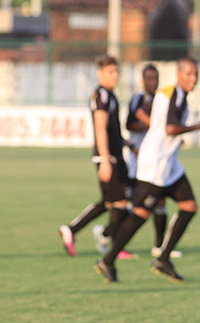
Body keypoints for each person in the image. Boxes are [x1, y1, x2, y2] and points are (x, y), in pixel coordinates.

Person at [95, 57, 200, 283]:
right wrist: (197, 127)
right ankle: (108, 260)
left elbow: (155, 120)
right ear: (178, 74)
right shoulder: (173, 94)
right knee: (139, 215)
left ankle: (163, 258)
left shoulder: (172, 94)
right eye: (188, 74)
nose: (193, 79)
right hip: (155, 166)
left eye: (196, 75)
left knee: (189, 206)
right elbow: (169, 128)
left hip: (170, 165)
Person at [58, 54, 134, 258]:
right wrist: (106, 159)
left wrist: (127, 143)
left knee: (112, 202)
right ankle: (108, 238)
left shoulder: (109, 95)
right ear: (100, 74)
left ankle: (74, 230)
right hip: (109, 158)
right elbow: (100, 129)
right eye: (110, 72)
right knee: (120, 203)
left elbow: (111, 131)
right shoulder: (101, 96)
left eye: (117, 71)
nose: (115, 75)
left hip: (115, 155)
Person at [126, 64, 182, 260]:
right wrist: (155, 126)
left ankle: (159, 246)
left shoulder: (159, 98)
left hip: (157, 159)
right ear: (143, 80)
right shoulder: (139, 98)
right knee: (132, 205)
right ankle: (110, 237)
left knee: (159, 203)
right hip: (138, 158)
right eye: (149, 78)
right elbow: (130, 122)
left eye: (155, 78)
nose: (153, 82)